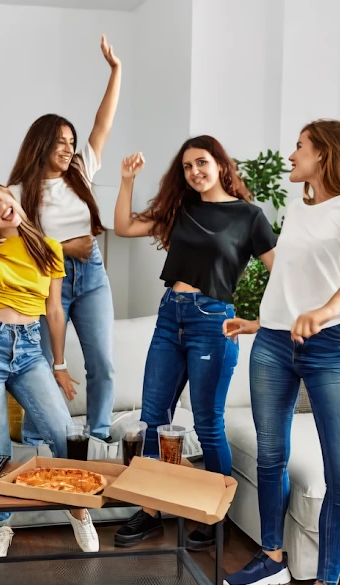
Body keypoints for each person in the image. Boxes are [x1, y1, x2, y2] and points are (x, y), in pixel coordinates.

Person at [221, 120, 340, 585]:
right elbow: (289, 283)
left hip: (330, 344)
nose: (292, 153)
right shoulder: (299, 209)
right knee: (270, 455)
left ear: (326, 153)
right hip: (274, 344)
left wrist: (327, 310)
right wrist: (259, 322)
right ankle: (273, 557)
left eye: (300, 146)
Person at [111, 136, 276, 550]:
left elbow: (285, 273)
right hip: (170, 315)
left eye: (201, 163)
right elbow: (125, 227)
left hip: (213, 321)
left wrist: (262, 322)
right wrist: (127, 181)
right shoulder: (181, 209)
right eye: (186, 167)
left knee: (207, 422)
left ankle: (212, 515)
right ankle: (151, 512)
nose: (194, 172)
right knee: (153, 416)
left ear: (220, 164)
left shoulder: (249, 217)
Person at [0, 179, 99, 557]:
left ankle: (78, 508)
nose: (0, 206)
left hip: (30, 348)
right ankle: (0, 526)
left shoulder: (48, 247)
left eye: (0, 197)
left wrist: (60, 363)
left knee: (64, 432)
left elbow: (55, 310)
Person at [7, 34, 122, 443]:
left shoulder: (81, 170)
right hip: (46, 282)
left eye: (71, 142)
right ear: (41, 144)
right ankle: (40, 437)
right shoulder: (21, 190)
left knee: (102, 363)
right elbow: (17, 246)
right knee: (40, 364)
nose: (69, 148)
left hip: (91, 277)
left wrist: (116, 71)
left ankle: (100, 435)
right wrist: (65, 247)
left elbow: (103, 123)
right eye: (60, 142)